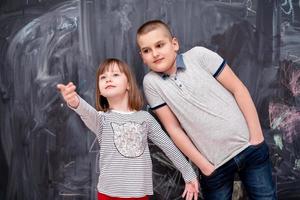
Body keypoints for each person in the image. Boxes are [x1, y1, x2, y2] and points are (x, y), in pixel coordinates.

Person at [136, 20, 277, 199]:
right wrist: (204, 166)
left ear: (174, 44)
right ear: (142, 56)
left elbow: (238, 88)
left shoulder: (198, 56)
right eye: (147, 50)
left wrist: (256, 136)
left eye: (160, 45)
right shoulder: (151, 83)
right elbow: (173, 128)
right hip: (214, 166)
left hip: (249, 147)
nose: (155, 53)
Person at [57, 58, 199, 200]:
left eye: (115, 75)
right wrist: (74, 101)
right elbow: (86, 112)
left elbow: (168, 146)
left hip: (138, 195)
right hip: (108, 194)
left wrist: (189, 174)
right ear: (100, 91)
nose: (108, 79)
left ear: (129, 85)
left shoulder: (145, 118)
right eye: (103, 77)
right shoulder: (102, 120)